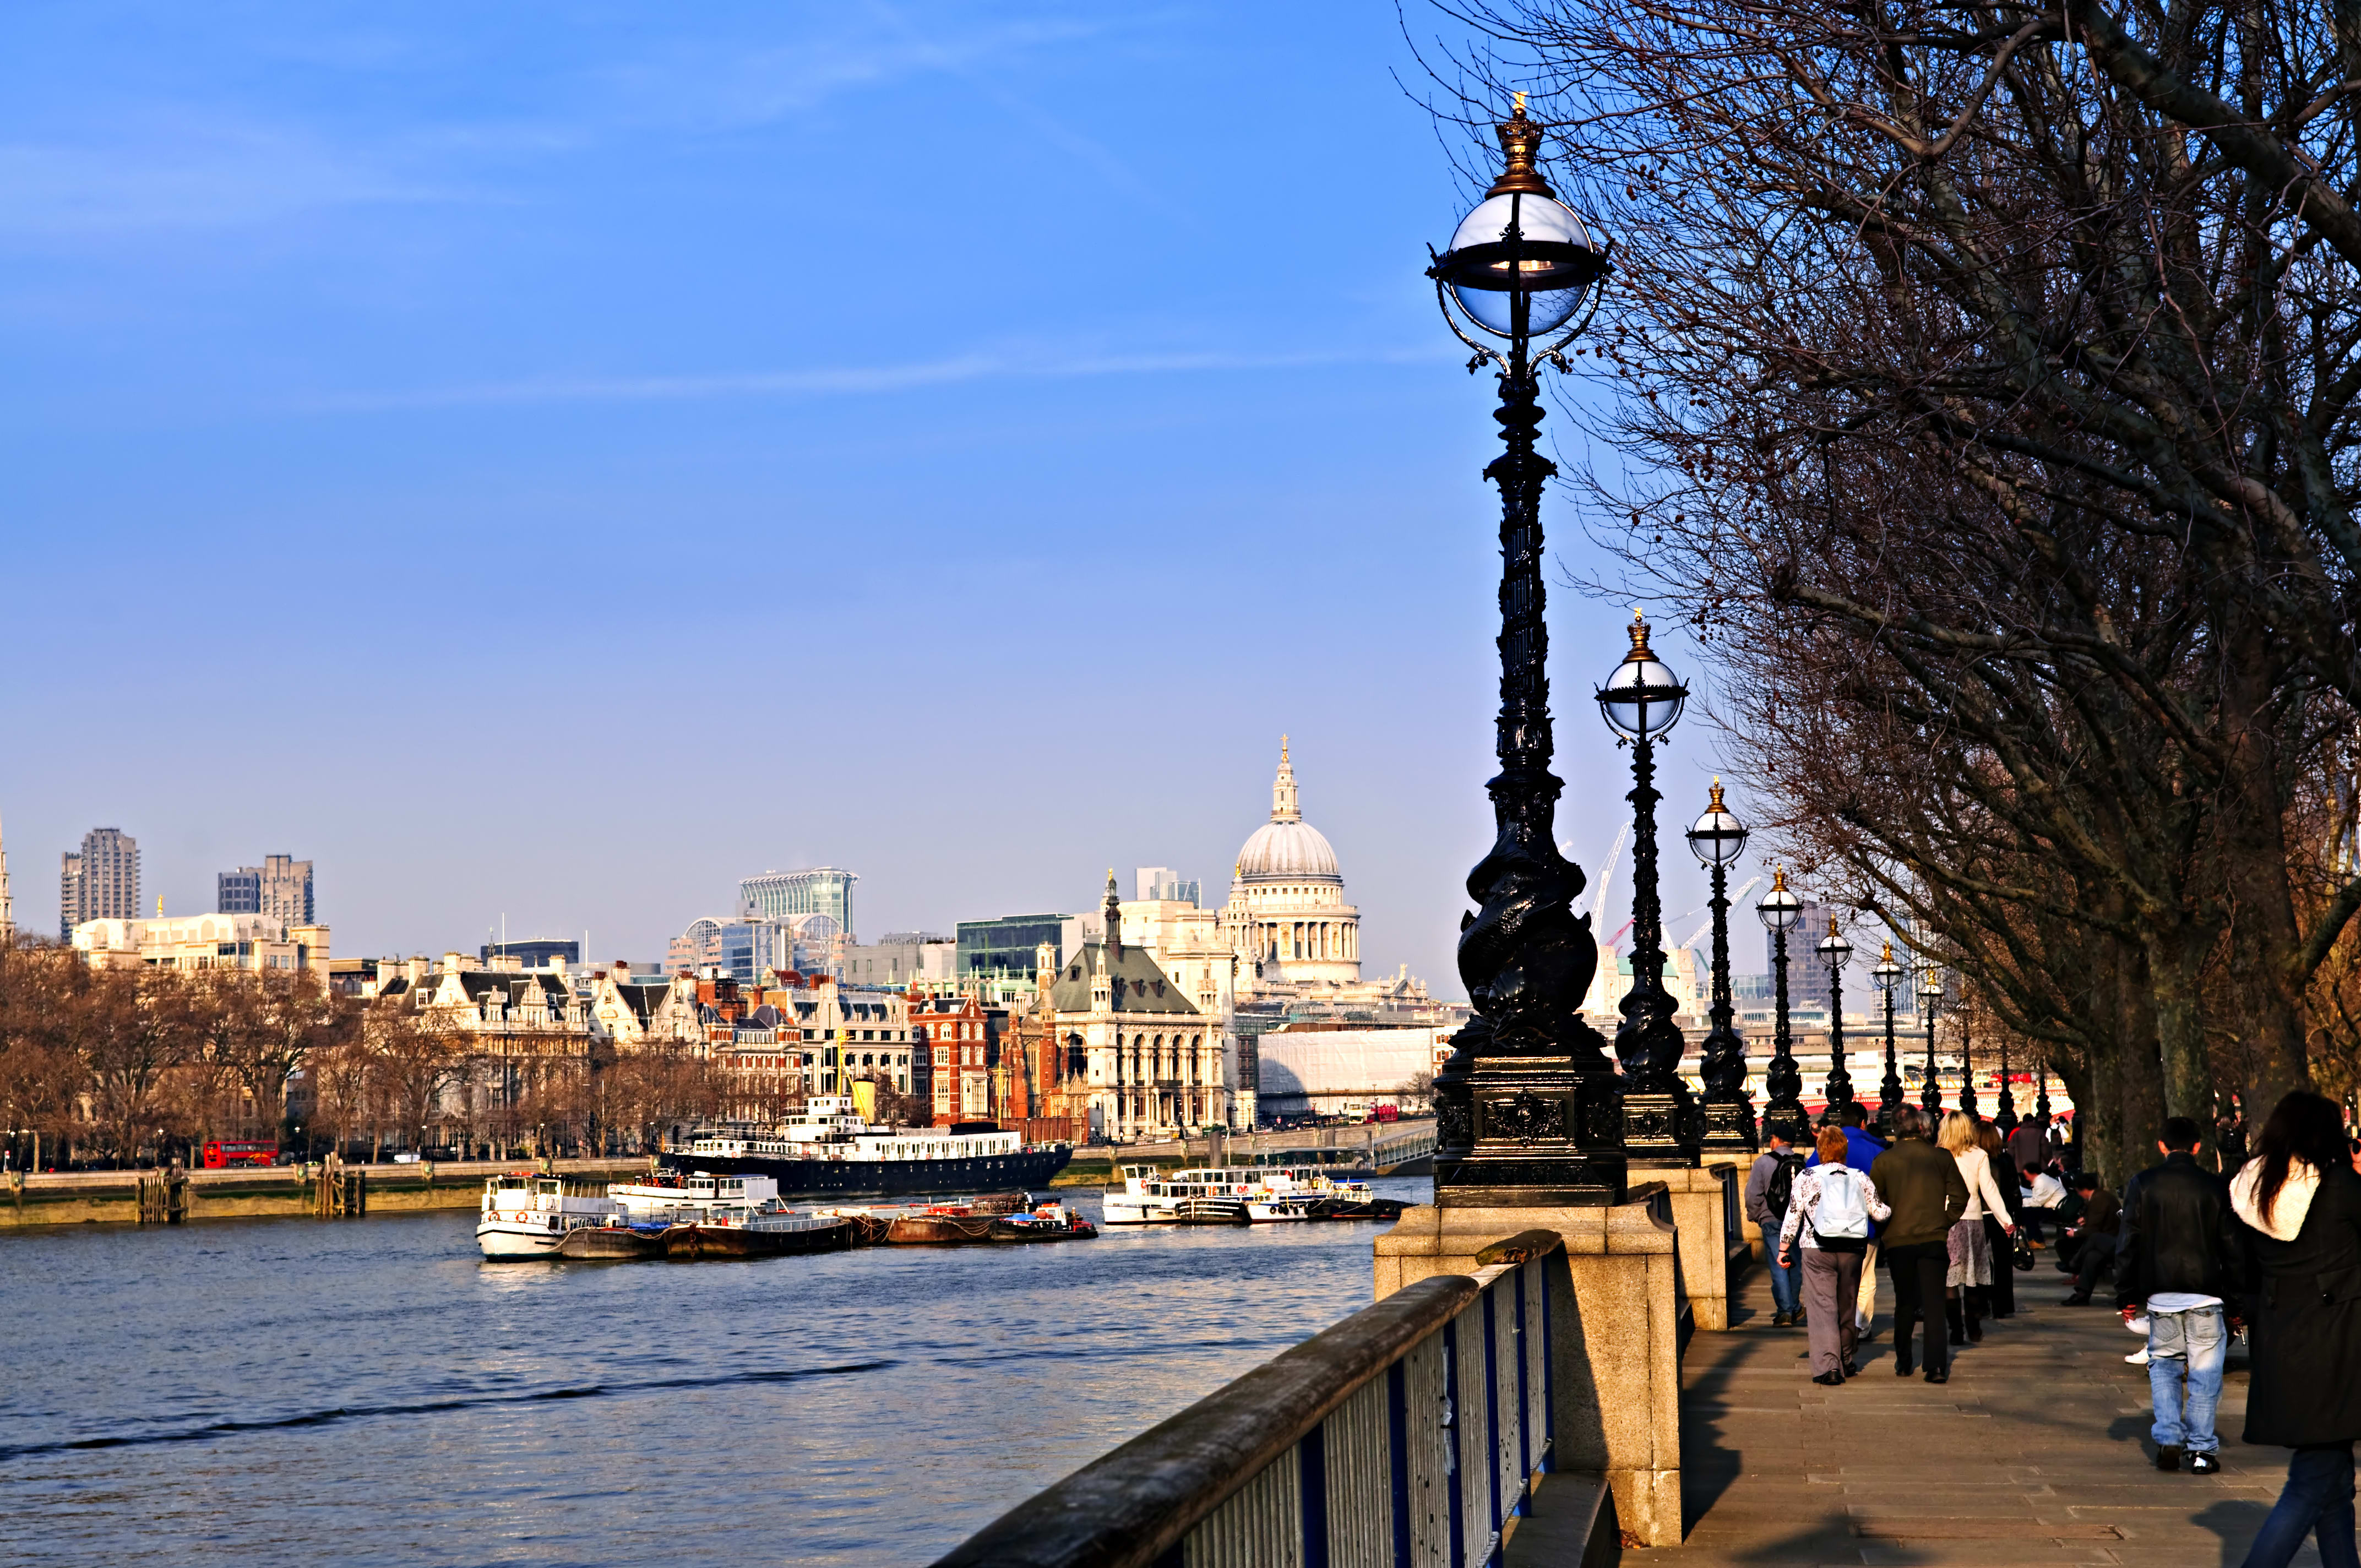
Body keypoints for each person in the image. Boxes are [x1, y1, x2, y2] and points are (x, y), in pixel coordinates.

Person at [2233, 1091, 2361, 1568]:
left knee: (2332, 1482)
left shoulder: (2254, 1188)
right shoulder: (2340, 1187)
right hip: (2338, 1349)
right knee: (2313, 1480)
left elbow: (2244, 1271)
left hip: (2282, 1343)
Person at [2115, 1114, 2242, 1474]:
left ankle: (2169, 1437)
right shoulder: (2216, 1187)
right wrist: (2237, 1304)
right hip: (2206, 1295)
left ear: (2162, 1146)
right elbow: (2232, 1249)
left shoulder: (2143, 1184)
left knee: (2165, 1367)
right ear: (2198, 1147)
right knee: (2205, 1375)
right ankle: (2201, 1450)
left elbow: (2128, 1243)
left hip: (2162, 1296)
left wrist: (2125, 1294)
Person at [1778, 1123, 1892, 1385]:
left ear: (1820, 1150)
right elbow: (1880, 1212)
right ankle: (1847, 1358)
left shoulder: (1806, 1177)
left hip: (1816, 1248)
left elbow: (1793, 1216)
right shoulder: (1859, 1177)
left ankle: (1830, 1366)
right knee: (1847, 1305)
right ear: (1844, 1150)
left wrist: (1784, 1248)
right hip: (1852, 1248)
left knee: (1822, 1307)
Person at [1870, 1103, 1969, 1382]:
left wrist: (1887, 1226)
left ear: (1895, 1129)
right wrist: (1945, 1220)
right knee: (1934, 1303)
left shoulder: (1884, 1161)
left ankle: (1904, 1361)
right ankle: (1936, 1366)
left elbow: (1874, 1202)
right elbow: (1960, 1196)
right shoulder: (1940, 1157)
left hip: (1899, 1240)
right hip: (1933, 1237)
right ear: (1920, 1126)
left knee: (1905, 1301)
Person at [1809, 1102, 1890, 1336]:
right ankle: (1861, 1327)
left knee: (1835, 1278)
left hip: (1830, 1227)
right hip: (1867, 1228)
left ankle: (1838, 1323)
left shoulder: (1825, 1148)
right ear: (1864, 1123)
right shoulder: (1877, 1150)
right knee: (1865, 1278)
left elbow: (1810, 1178)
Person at [1938, 1110, 2015, 1345]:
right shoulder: (1979, 1155)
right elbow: (1989, 1190)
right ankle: (1974, 1327)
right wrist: (2006, 1219)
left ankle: (1955, 1329)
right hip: (1972, 1219)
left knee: (1949, 1280)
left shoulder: (1938, 1155)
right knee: (1972, 1278)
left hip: (1945, 1220)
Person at [1746, 1129, 1808, 1327]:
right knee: (1795, 1264)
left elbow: (1753, 1195)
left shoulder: (1763, 1162)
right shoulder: (1802, 1161)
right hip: (1797, 1219)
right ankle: (1794, 1307)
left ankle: (1785, 1312)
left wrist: (1756, 1216)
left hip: (1771, 1220)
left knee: (1778, 1265)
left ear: (1776, 1139)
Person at [1976, 1119, 2020, 1319]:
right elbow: (2014, 1191)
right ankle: (2003, 1305)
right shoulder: (2006, 1160)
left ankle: (1982, 1301)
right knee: (2003, 1262)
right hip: (2003, 1215)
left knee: (1979, 1260)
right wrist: (2014, 1216)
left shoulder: (1975, 1159)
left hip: (1980, 1215)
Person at [2061, 1172, 2124, 1304]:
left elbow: (2094, 1230)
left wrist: (2076, 1233)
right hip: (2110, 1240)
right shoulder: (2101, 1197)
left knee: (2094, 1238)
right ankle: (2082, 1294)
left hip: (2115, 1240)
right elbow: (2098, 1222)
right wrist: (2087, 1220)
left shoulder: (2099, 1199)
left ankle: (2075, 1263)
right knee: (2093, 1257)